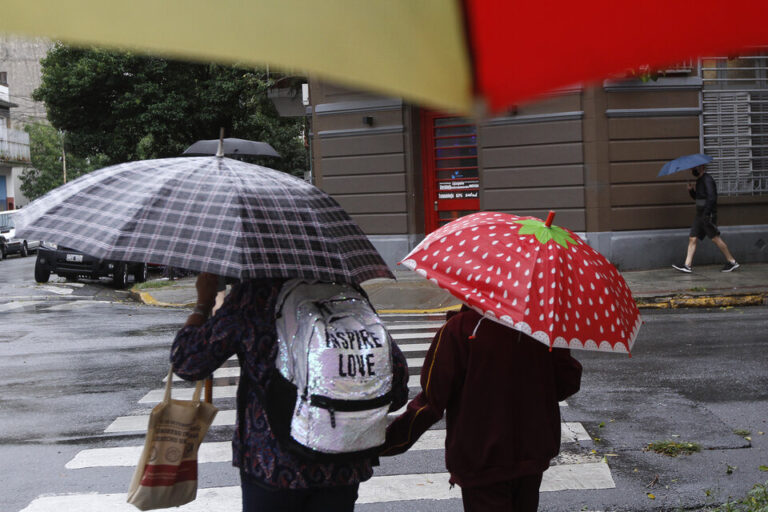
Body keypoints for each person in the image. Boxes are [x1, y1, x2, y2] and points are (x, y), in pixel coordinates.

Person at [170, 272, 409, 512]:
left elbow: (188, 362)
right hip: (343, 461)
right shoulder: (348, 291)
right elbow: (396, 384)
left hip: (273, 463)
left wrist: (203, 303)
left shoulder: (254, 295)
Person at [380, 305, 582, 512]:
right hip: (531, 455)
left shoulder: (460, 329)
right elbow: (568, 382)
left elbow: (431, 403)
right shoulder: (539, 326)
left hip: (481, 460)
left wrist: (384, 443)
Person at [672, 165, 739, 273]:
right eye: (691, 168)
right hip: (700, 215)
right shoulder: (700, 180)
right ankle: (687, 265)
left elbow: (712, 197)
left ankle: (732, 261)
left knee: (715, 238)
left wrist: (707, 214)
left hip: (706, 215)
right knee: (692, 238)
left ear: (702, 167)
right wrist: (691, 191)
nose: (692, 170)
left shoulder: (707, 179)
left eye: (694, 168)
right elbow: (698, 198)